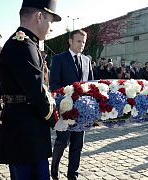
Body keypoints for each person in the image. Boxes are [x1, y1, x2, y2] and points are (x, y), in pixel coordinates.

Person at [0, 0, 61, 179]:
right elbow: (36, 91)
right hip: (25, 133)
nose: (51, 27)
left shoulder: (26, 43)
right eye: (50, 20)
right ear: (39, 17)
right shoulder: (23, 45)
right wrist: (56, 116)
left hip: (26, 130)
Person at [50, 29, 93, 180]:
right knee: (62, 142)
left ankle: (72, 174)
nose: (81, 44)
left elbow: (91, 85)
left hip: (83, 112)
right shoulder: (59, 59)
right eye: (78, 41)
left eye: (84, 42)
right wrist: (65, 99)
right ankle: (54, 171)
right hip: (65, 109)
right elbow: (54, 84)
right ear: (70, 41)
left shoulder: (87, 61)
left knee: (78, 144)